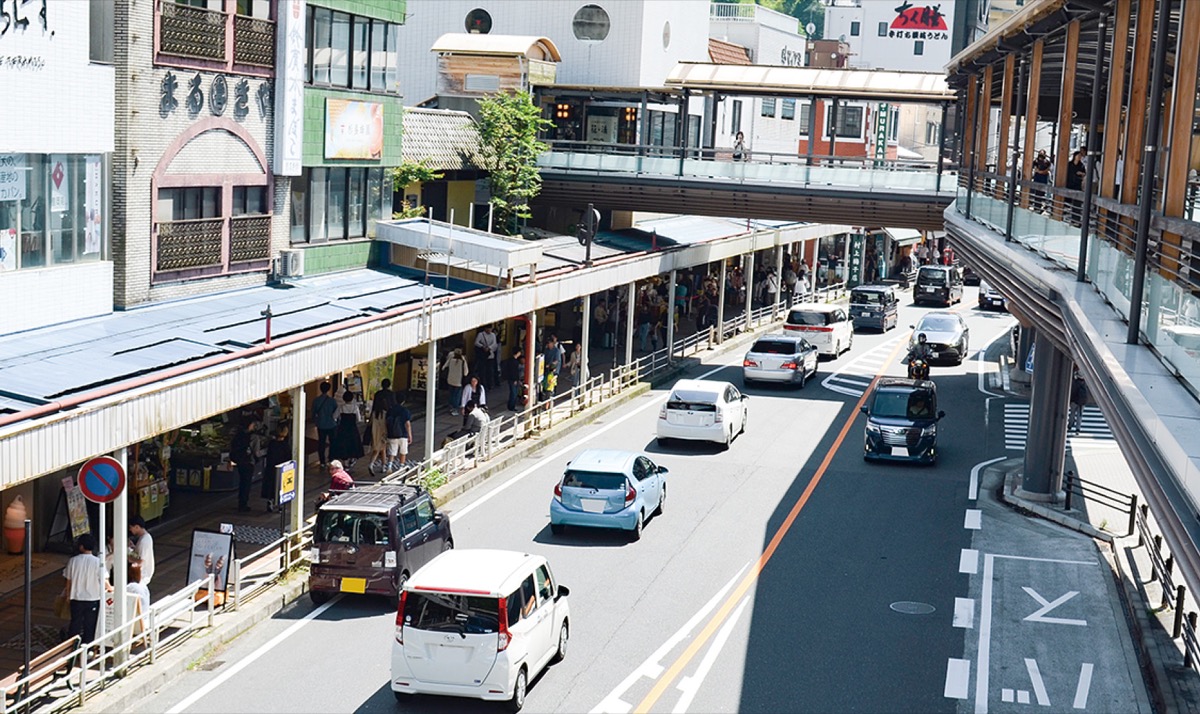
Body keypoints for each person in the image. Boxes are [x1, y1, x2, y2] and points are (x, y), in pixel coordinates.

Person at [62, 534, 110, 644]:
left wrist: (68, 595)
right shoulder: (98, 562)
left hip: (76, 598)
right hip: (93, 598)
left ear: (81, 546)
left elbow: (68, 581)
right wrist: (111, 588)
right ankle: (88, 648)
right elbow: (104, 581)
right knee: (90, 626)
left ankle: (72, 647)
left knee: (75, 624)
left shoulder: (73, 561)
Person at [230, 419, 260, 512]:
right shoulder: (254, 437)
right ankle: (243, 504)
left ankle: (241, 501)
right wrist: (257, 459)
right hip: (248, 461)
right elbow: (257, 452)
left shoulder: (238, 435)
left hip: (239, 461)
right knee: (246, 483)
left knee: (242, 481)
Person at [367, 379, 396, 474]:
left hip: (375, 420)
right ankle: (372, 464)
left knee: (379, 445)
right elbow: (393, 406)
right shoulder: (391, 395)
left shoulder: (377, 394)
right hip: (384, 422)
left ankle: (383, 466)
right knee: (382, 444)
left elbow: (373, 407)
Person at [263, 424, 292, 512]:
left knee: (271, 486)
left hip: (271, 468)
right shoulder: (285, 445)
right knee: (281, 487)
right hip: (282, 469)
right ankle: (280, 506)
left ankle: (270, 502)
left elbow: (268, 456)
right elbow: (288, 458)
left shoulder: (272, 444)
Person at [330, 390, 363, 467]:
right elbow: (359, 419)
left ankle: (345, 462)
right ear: (352, 398)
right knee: (353, 444)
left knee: (343, 444)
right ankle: (352, 459)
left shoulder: (341, 407)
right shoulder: (355, 407)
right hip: (352, 428)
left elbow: (334, 416)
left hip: (343, 428)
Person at [311, 381, 338, 469]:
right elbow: (336, 412)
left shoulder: (316, 400)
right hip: (331, 424)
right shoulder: (332, 401)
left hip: (321, 424)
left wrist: (315, 421)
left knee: (321, 443)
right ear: (328, 389)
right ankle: (331, 459)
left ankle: (322, 461)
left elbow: (313, 412)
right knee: (332, 442)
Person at [385, 393, 413, 469]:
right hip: (403, 434)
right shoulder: (405, 411)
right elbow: (407, 424)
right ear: (403, 401)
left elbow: (386, 422)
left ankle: (389, 466)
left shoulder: (390, 410)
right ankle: (401, 467)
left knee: (392, 452)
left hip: (391, 434)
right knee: (403, 452)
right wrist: (410, 435)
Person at [128, 515, 155, 587]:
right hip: (142, 574)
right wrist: (133, 547)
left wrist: (127, 558)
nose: (130, 530)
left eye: (131, 527)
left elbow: (140, 561)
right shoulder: (145, 537)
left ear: (137, 527)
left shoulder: (144, 541)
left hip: (142, 574)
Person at [442, 348, 469, 416]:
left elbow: (444, 367)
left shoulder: (451, 359)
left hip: (450, 379)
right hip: (458, 381)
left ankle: (450, 407)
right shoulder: (462, 361)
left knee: (451, 394)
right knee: (457, 396)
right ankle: (454, 408)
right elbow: (466, 372)